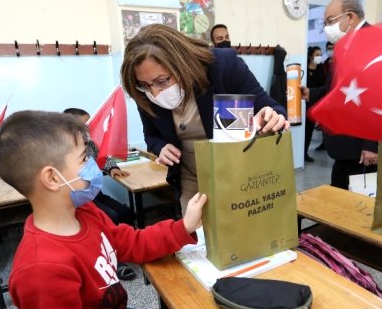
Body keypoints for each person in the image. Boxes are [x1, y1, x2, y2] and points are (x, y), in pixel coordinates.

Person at [0, 110, 209, 309]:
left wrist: (182, 228)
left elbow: (128, 241)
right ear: (52, 178)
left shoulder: (85, 211)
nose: (93, 164)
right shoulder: (40, 268)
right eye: (84, 159)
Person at [120, 24, 289, 212]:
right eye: (144, 84)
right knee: (197, 235)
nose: (155, 92)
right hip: (190, 177)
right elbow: (150, 136)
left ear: (180, 64)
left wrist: (272, 116)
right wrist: (161, 148)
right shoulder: (144, 93)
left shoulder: (222, 67)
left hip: (238, 173)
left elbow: (273, 108)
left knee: (239, 231)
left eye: (161, 81)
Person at [301, 0, 379, 189]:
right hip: (344, 145)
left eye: (330, 21)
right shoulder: (345, 45)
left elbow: (381, 97)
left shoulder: (374, 42)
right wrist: (311, 93)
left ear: (350, 17)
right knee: (340, 197)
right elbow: (337, 88)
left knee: (359, 206)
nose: (327, 28)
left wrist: (372, 145)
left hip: (362, 149)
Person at [63, 108, 137, 281]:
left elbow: (104, 157)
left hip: (95, 194)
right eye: (85, 125)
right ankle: (113, 260)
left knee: (125, 212)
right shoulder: (64, 150)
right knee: (109, 216)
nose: (90, 129)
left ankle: (125, 248)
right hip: (79, 199)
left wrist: (112, 169)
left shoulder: (90, 144)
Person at [304, 46, 327, 162]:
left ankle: (305, 153)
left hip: (315, 105)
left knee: (309, 130)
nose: (319, 57)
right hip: (304, 103)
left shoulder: (321, 70)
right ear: (311, 56)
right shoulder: (305, 69)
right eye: (317, 54)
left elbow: (324, 88)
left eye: (320, 54)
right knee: (303, 129)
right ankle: (300, 153)